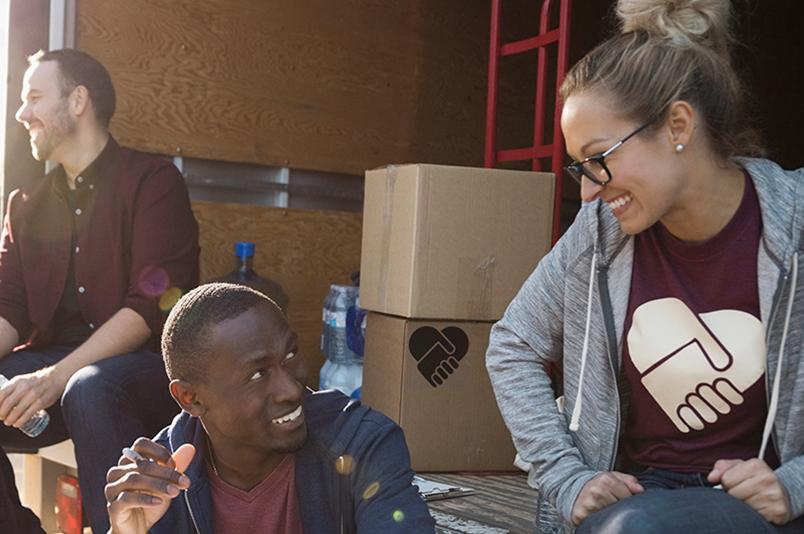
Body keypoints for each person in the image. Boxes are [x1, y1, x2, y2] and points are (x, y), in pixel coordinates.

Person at [485, 0, 804, 532]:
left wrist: (793, 483)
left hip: (765, 506)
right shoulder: (600, 235)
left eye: (598, 158)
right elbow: (514, 343)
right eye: (578, 168)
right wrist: (567, 478)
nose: (587, 192)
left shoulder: (795, 222)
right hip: (635, 495)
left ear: (678, 124)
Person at [0, 48, 199, 533]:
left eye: (34, 97)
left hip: (142, 375)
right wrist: (47, 378)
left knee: (90, 387)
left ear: (78, 100)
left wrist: (55, 378)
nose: (22, 114)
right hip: (55, 375)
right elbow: (10, 308)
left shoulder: (153, 182)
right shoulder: (25, 206)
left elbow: (149, 308)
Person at [104, 283, 435, 533]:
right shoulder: (163, 482)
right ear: (191, 399)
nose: (292, 389)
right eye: (257, 374)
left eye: (290, 355)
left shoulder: (361, 444)